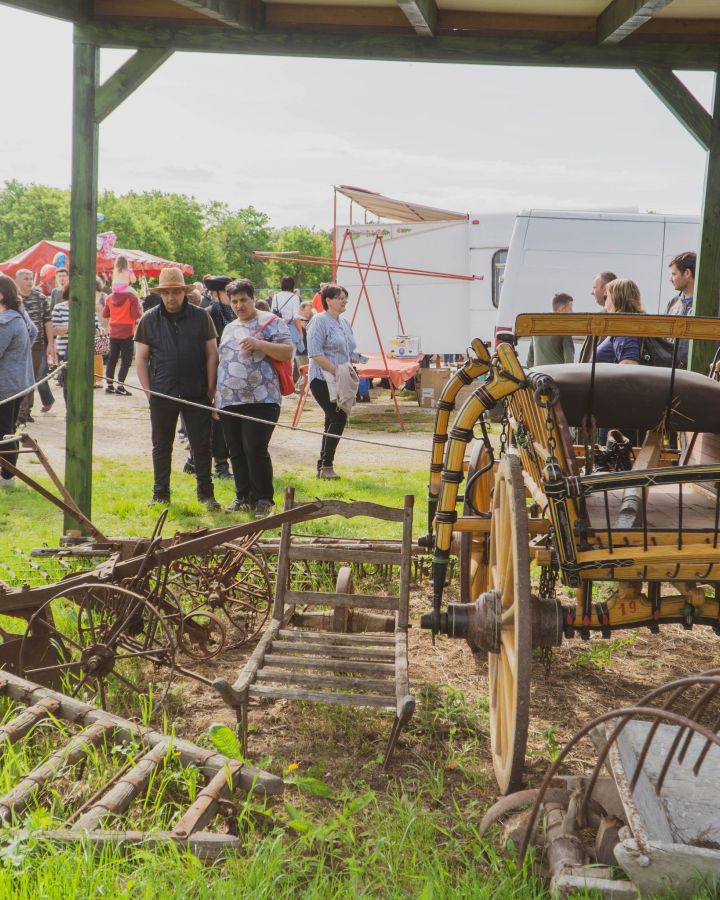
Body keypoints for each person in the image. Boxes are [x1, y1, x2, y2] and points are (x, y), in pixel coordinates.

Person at [134, 267, 220, 509]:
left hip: (196, 391)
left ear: (184, 292)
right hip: (162, 393)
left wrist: (210, 390)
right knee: (161, 446)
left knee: (202, 446)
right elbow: (141, 358)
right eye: (166, 292)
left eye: (176, 291)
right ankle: (160, 494)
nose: (171, 297)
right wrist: (149, 392)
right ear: (161, 293)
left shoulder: (202, 317)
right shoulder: (148, 319)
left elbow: (212, 354)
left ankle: (206, 494)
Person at [216, 279, 293, 517]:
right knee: (236, 450)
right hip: (229, 398)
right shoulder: (229, 328)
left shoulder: (271, 321)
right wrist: (215, 398)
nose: (239, 305)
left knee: (255, 448)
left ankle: (264, 499)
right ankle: (243, 496)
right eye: (234, 301)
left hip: (262, 398)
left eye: (243, 300)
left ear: (253, 298)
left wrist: (261, 344)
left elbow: (288, 350)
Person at [306, 283, 359, 480]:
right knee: (338, 418)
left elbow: (349, 349)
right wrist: (338, 371)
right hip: (322, 378)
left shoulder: (344, 323)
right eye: (340, 297)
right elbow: (315, 353)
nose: (344, 300)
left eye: (345, 297)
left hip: (340, 377)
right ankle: (327, 465)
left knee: (331, 420)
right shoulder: (319, 321)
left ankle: (323, 465)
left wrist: (360, 359)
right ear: (328, 300)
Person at [0, 274, 37, 487]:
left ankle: (6, 476)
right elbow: (33, 332)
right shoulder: (18, 314)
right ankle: (7, 474)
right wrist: (17, 357)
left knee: (4, 431)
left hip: (6, 386)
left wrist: (13, 358)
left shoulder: (5, 321)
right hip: (18, 382)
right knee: (9, 429)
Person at [15, 268, 55, 420]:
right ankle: (20, 411)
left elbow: (48, 322)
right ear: (17, 280)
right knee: (20, 378)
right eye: (25, 279)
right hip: (17, 347)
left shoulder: (41, 298)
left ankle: (27, 411)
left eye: (31, 278)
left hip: (37, 345)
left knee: (33, 378)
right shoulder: (13, 299)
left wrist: (51, 343)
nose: (29, 282)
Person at [102, 283, 143, 395]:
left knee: (112, 359)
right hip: (127, 332)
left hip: (114, 331)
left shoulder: (109, 298)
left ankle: (109, 385)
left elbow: (105, 314)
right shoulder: (131, 297)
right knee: (126, 360)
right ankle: (120, 386)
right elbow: (136, 315)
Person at [526, 293, 575, 367]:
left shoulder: (538, 327)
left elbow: (530, 361)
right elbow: (569, 361)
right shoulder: (564, 329)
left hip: (539, 375)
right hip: (556, 376)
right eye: (570, 309)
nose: (572, 313)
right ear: (562, 308)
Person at [271, 276, 302, 353]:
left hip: (278, 330)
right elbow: (296, 318)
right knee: (291, 357)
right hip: (290, 330)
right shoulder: (295, 297)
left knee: (279, 357)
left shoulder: (276, 296)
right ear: (292, 285)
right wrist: (301, 332)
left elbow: (272, 313)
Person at [666, 251, 695, 316]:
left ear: (687, 273)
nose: (670, 279)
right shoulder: (672, 302)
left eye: (674, 274)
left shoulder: (708, 305)